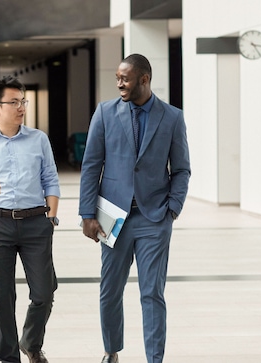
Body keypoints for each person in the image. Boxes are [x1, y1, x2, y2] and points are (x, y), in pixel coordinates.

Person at [78, 54, 191, 363]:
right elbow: (91, 166)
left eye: (125, 78)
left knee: (151, 292)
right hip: (112, 219)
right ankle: (111, 351)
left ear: (144, 79)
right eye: (117, 77)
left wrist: (173, 208)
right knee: (110, 290)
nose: (119, 84)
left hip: (154, 218)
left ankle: (155, 358)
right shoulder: (104, 113)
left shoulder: (172, 117)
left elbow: (181, 169)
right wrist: (87, 214)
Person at [0, 76, 60, 363]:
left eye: (23, 101)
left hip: (35, 223)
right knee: (2, 299)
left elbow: (51, 180)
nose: (21, 107)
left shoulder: (38, 139)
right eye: (14, 102)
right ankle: (8, 358)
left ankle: (30, 343)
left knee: (44, 292)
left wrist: (51, 219)